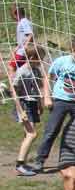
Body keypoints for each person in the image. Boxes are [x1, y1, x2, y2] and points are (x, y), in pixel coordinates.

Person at [30, 35, 75, 174]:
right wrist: (47, 98)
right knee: (51, 131)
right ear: (74, 49)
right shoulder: (61, 61)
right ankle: (39, 161)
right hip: (60, 100)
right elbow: (48, 78)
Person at [8, 41, 45, 174]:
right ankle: (20, 164)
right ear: (31, 58)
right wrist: (20, 111)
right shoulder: (22, 72)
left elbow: (39, 87)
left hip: (33, 103)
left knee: (28, 134)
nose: (42, 61)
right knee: (32, 134)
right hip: (23, 104)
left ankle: (23, 162)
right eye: (40, 58)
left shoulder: (36, 70)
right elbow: (14, 92)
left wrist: (40, 104)